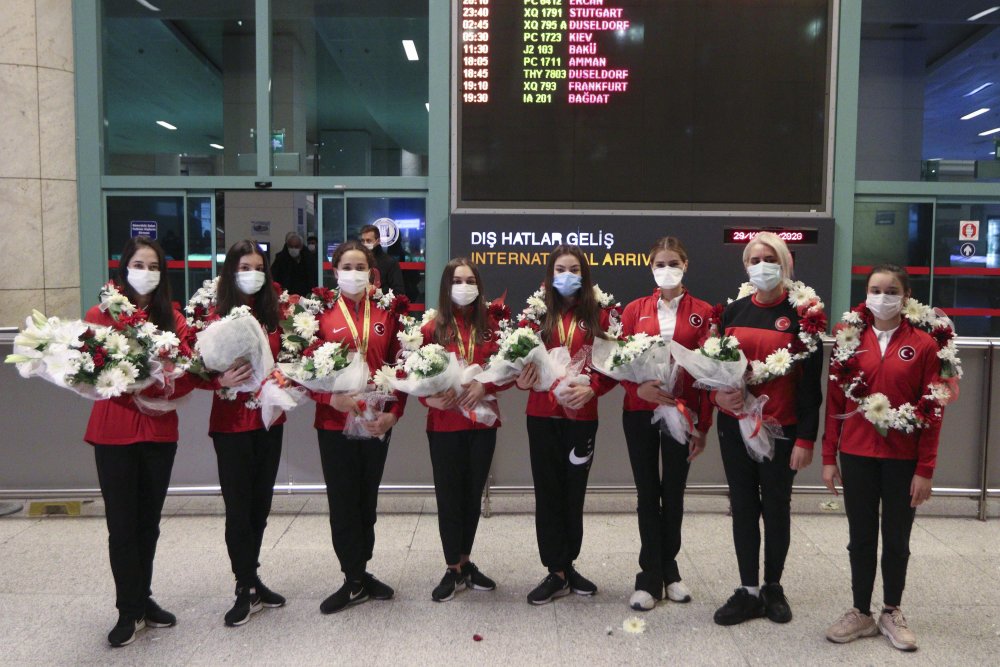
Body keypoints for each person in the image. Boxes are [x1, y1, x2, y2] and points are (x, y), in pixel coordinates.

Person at [822, 265, 948, 652]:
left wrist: (925, 469)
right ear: (865, 294)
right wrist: (829, 456)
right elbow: (835, 405)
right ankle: (860, 611)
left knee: (897, 538)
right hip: (857, 454)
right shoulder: (848, 341)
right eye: (875, 289)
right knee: (860, 537)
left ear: (905, 296)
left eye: (891, 290)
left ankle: (891, 611)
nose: (882, 296)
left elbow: (934, 410)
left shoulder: (925, 345)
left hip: (902, 459)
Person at [711, 231, 823, 626]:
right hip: (735, 426)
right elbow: (715, 373)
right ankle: (748, 590)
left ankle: (773, 586)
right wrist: (717, 399)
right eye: (755, 260)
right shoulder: (732, 313)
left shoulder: (804, 318)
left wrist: (806, 439)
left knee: (775, 508)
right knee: (742, 507)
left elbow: (812, 388)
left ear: (785, 264)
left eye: (770, 259)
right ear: (745, 266)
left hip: (783, 428)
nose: (762, 267)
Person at [84, 236, 186, 647]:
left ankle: (143, 599)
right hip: (114, 430)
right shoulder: (100, 314)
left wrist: (166, 380)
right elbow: (87, 372)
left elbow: (186, 374)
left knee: (148, 523)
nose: (146, 272)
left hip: (159, 432)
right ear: (124, 268)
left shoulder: (172, 319)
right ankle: (127, 609)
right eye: (139, 264)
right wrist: (127, 379)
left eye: (153, 265)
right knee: (121, 524)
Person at [516, 245, 618, 605]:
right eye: (560, 269)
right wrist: (521, 380)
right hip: (541, 416)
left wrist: (593, 390)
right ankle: (554, 570)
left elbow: (613, 368)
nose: (567, 275)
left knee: (574, 494)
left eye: (574, 269)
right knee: (547, 493)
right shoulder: (534, 315)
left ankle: (569, 564)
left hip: (581, 417)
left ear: (584, 274)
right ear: (550, 274)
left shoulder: (602, 316)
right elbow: (517, 363)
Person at [619, 237, 715, 611]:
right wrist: (636, 387)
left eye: (673, 262)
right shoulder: (634, 310)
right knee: (647, 494)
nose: (666, 269)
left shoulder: (703, 312)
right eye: (660, 263)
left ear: (685, 265)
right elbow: (620, 361)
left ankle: (669, 571)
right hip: (639, 411)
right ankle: (649, 577)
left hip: (683, 412)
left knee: (673, 493)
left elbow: (710, 373)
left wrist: (703, 425)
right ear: (651, 268)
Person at [313, 240, 407, 614]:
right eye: (346, 266)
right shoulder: (318, 312)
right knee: (343, 500)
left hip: (375, 420)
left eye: (360, 267)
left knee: (367, 499)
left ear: (372, 272)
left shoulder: (387, 311)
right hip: (334, 421)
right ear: (334, 271)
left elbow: (402, 367)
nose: (353, 273)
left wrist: (394, 413)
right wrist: (327, 399)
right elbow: (302, 370)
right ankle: (351, 576)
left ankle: (361, 570)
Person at [200, 240, 287, 627]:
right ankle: (242, 586)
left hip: (269, 422)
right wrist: (217, 380)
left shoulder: (275, 312)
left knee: (260, 506)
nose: (252, 273)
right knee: (238, 509)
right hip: (231, 422)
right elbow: (192, 365)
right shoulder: (211, 312)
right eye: (244, 266)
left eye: (258, 266)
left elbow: (290, 357)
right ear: (231, 271)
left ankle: (253, 578)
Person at [421, 259, 509, 602]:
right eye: (457, 280)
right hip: (444, 423)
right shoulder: (431, 328)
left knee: (473, 494)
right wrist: (429, 401)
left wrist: (486, 386)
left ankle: (466, 561)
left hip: (483, 421)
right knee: (449, 496)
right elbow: (414, 374)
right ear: (446, 285)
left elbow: (508, 369)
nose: (464, 285)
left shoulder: (493, 327)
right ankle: (451, 568)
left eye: (470, 280)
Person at [360, 224, 405, 297]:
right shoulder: (358, 261)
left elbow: (398, 291)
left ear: (378, 241)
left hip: (380, 305)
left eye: (368, 241)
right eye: (362, 241)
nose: (365, 244)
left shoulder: (389, 262)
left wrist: (377, 292)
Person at [271, 231, 317, 296]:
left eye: (296, 246)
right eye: (291, 246)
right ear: (287, 246)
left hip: (305, 295)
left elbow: (313, 278)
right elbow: (274, 277)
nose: (293, 249)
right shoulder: (280, 259)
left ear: (301, 246)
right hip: (286, 296)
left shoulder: (308, 258)